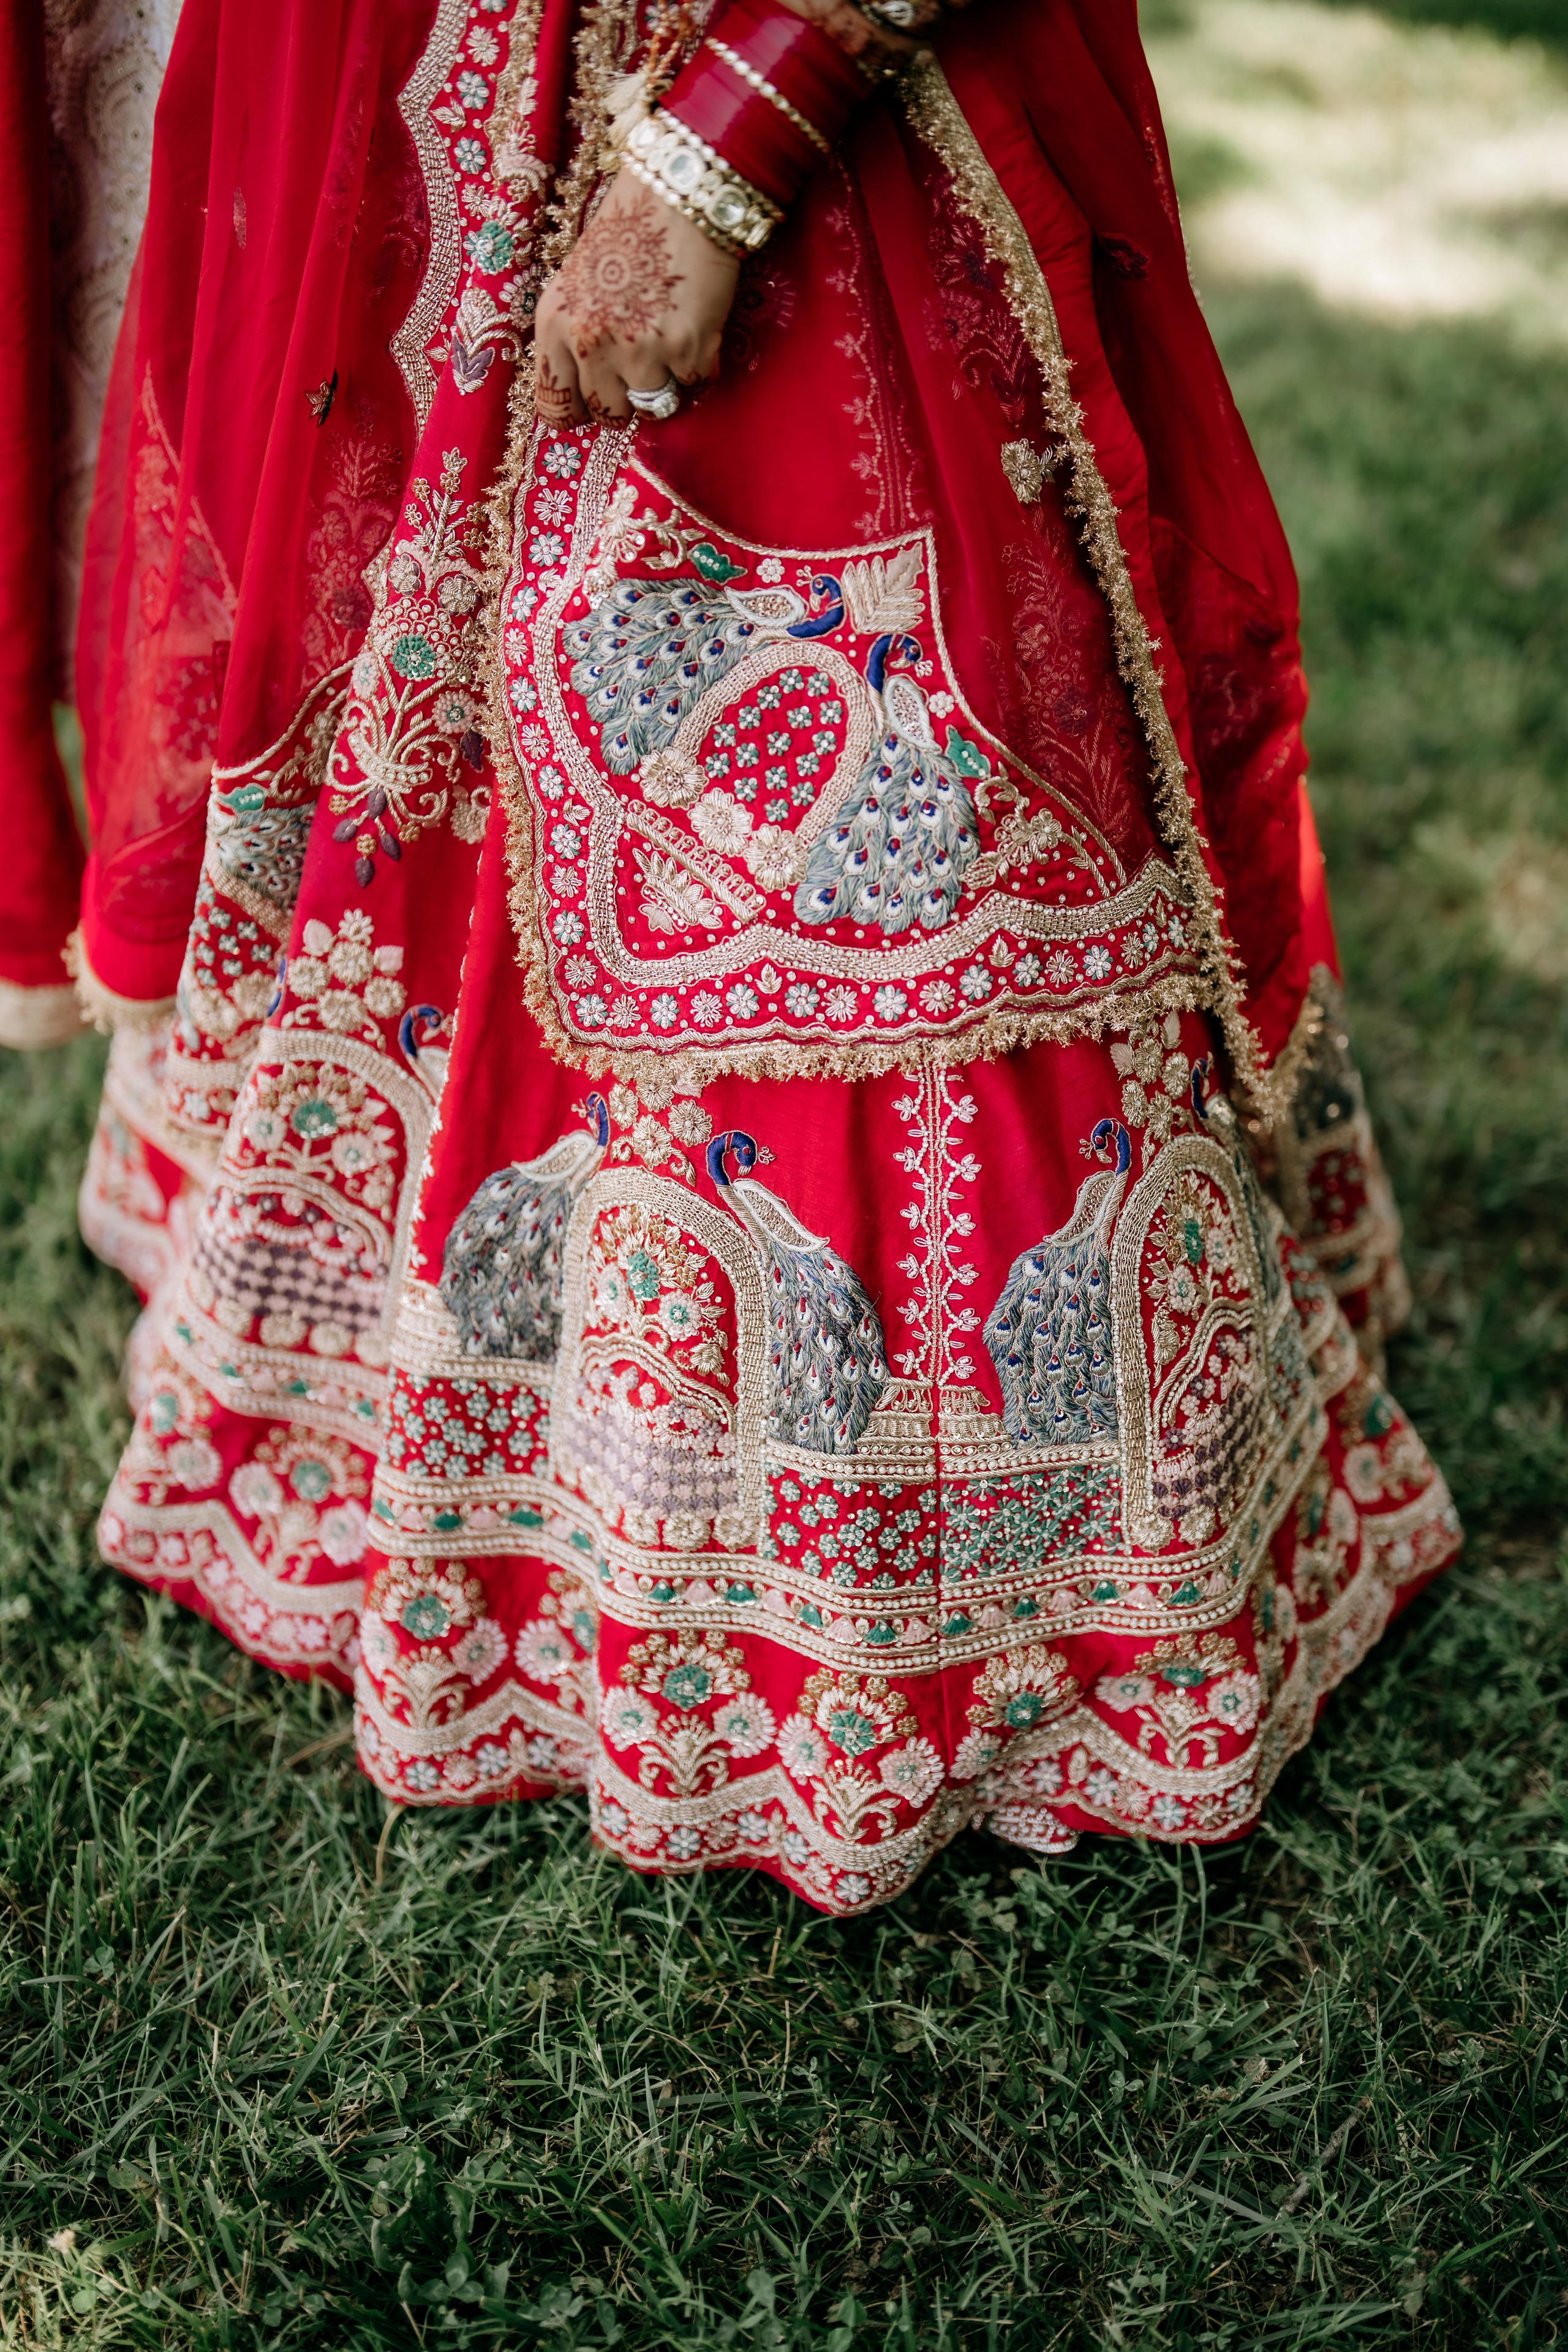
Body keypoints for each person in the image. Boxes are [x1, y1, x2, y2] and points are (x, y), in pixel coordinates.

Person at [67, 0, 1459, 1914]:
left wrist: (720, 144)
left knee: (885, 796)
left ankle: (944, 1620)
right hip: (456, 133)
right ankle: (446, 1468)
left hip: (773, 130)